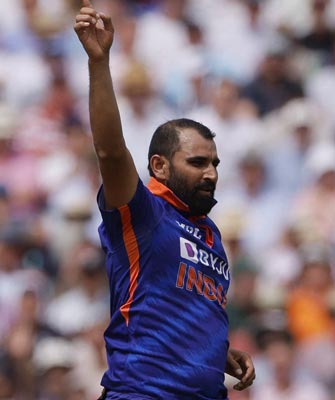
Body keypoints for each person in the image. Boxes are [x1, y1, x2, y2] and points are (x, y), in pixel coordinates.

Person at [74, 1, 256, 399]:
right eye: (197, 162)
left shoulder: (211, 235)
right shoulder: (144, 213)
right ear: (159, 165)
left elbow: (177, 310)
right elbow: (109, 151)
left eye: (214, 163)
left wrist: (218, 353)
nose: (211, 173)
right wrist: (99, 62)